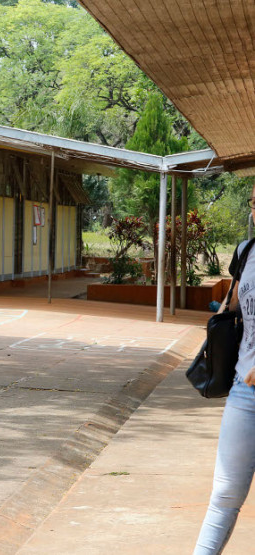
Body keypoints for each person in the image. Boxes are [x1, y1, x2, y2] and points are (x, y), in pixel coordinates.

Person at [194, 188, 255, 554]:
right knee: (224, 494)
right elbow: (237, 306)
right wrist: (223, 314)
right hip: (245, 390)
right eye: (254, 203)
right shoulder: (247, 252)